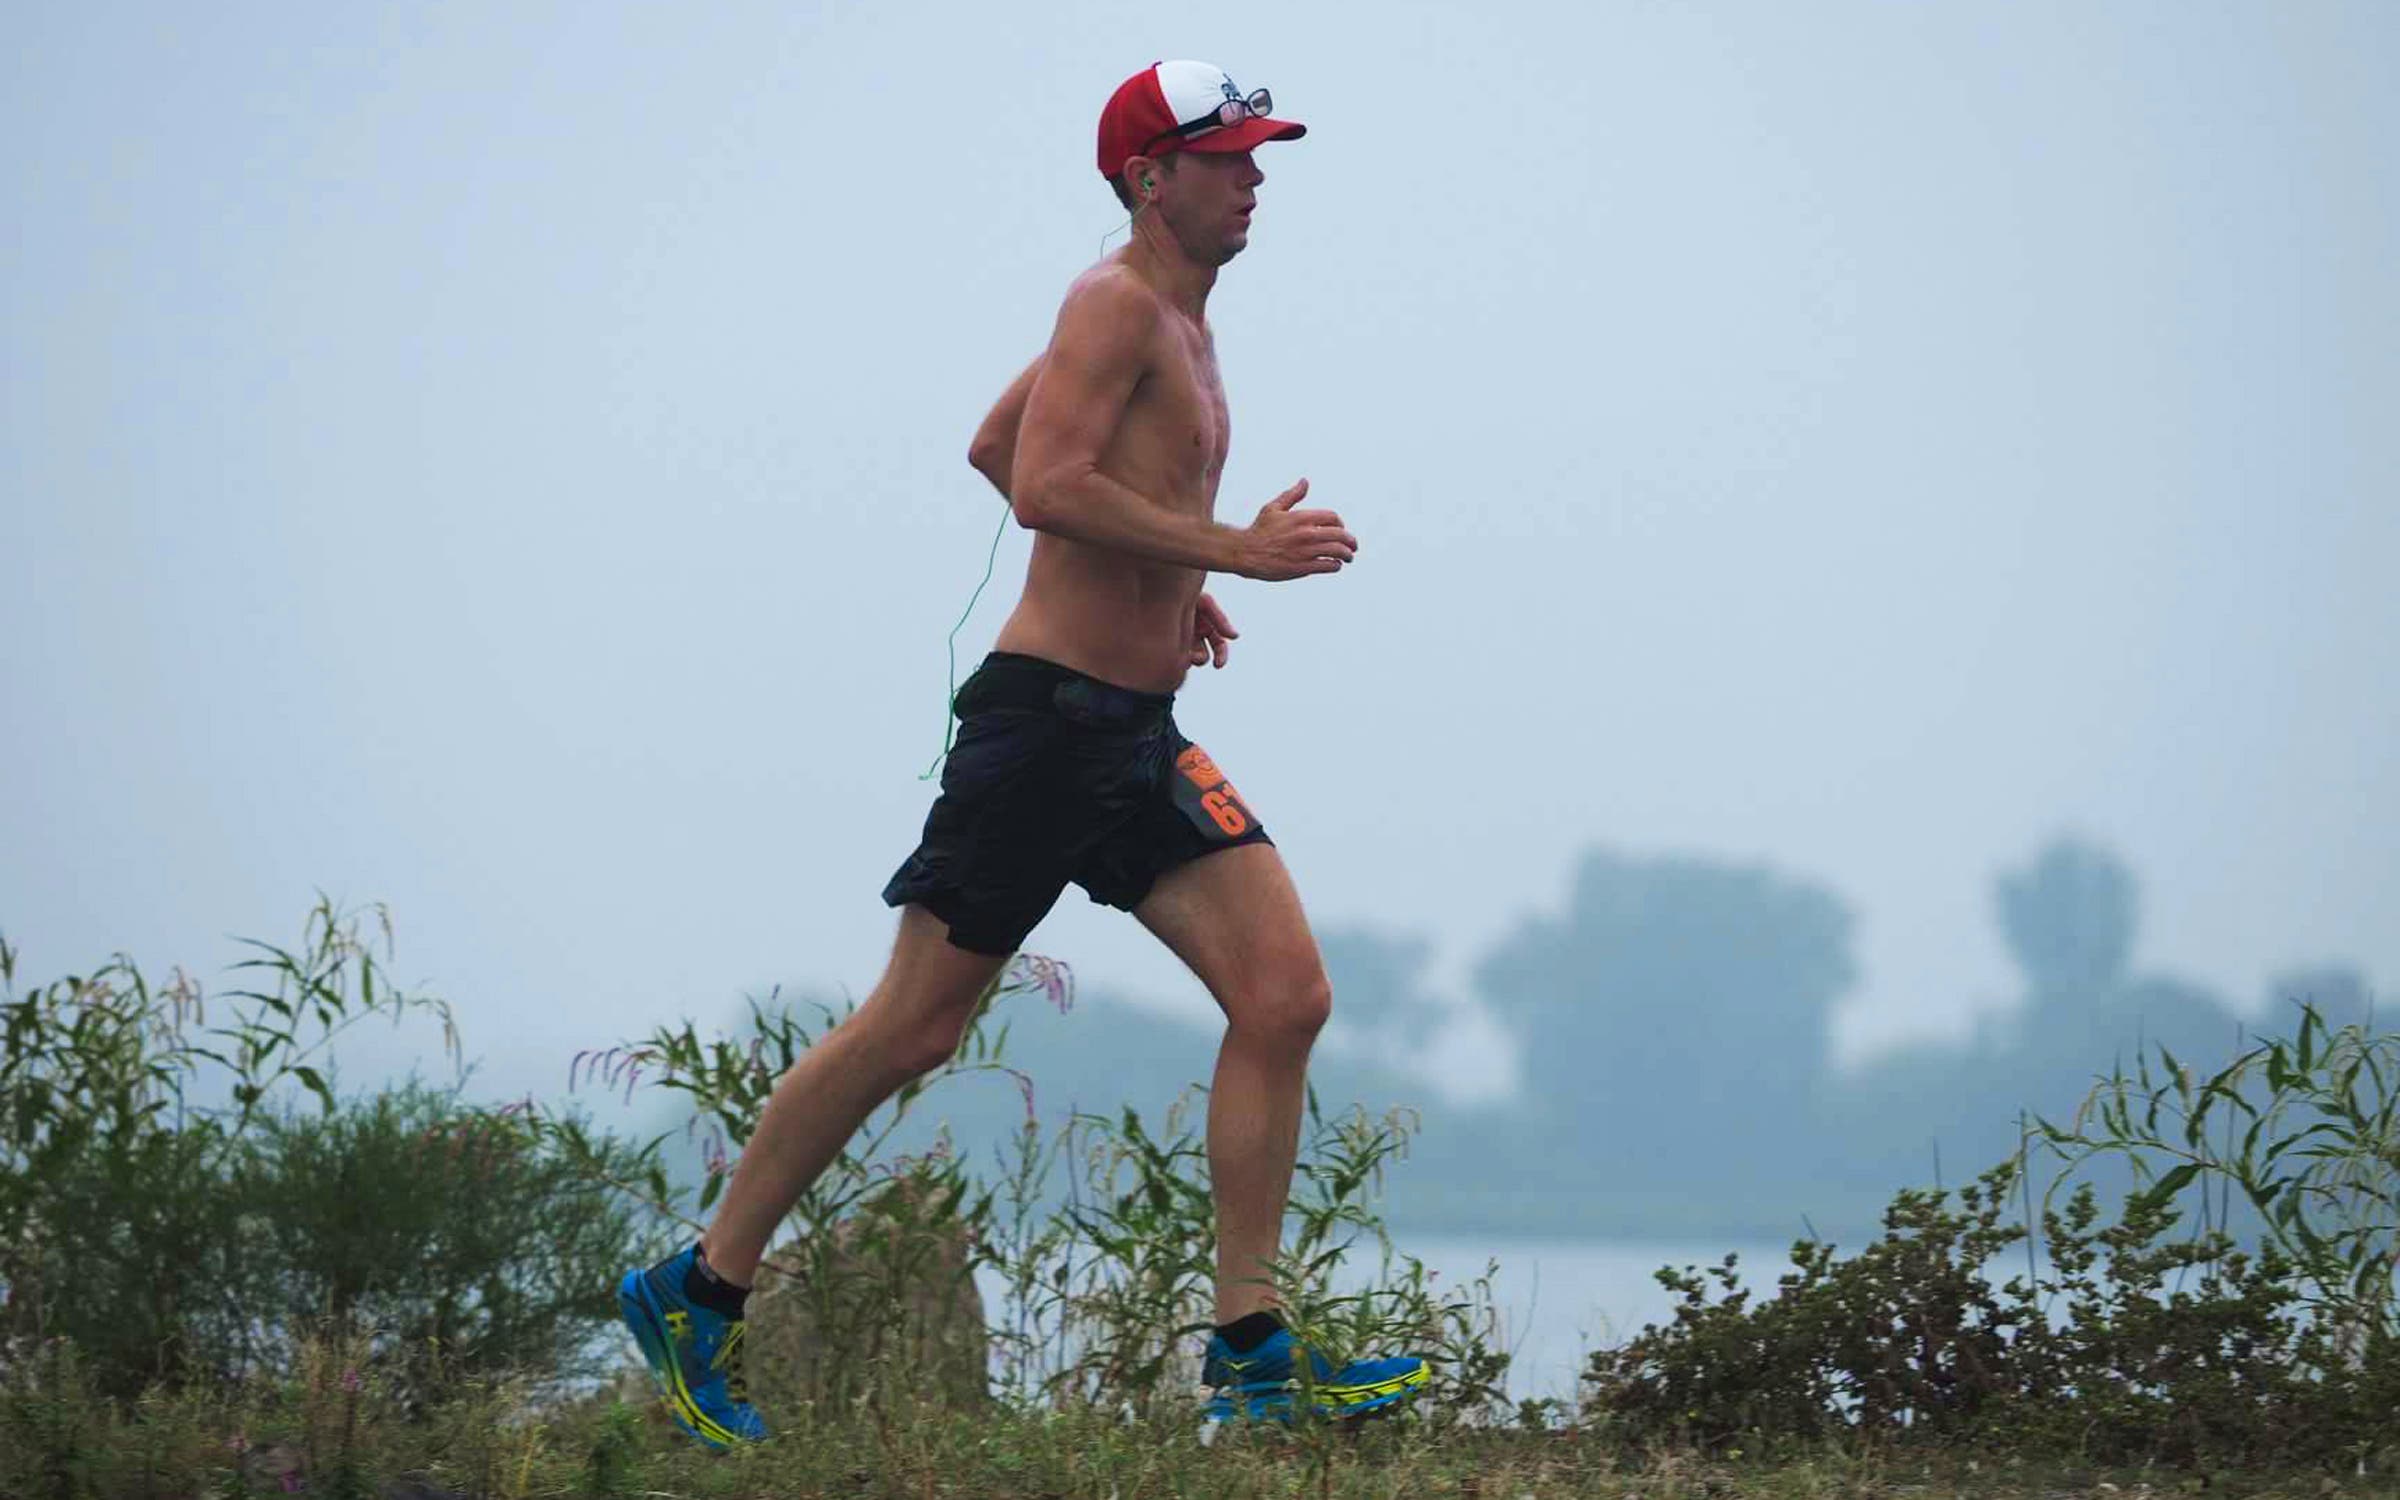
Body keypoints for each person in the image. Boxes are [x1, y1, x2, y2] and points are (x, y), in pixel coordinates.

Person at [617, 58, 1428, 1448]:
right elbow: (1048, 486)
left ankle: (1252, 1351)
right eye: (1225, 155)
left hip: (1134, 734)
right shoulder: (1112, 302)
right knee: (915, 1028)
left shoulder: (1180, 318)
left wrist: (1177, 586)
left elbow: (1002, 441)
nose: (1254, 176)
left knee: (1285, 996)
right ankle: (696, 1290)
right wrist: (1227, 549)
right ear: (1145, 178)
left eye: (1256, 152)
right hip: (1041, 729)